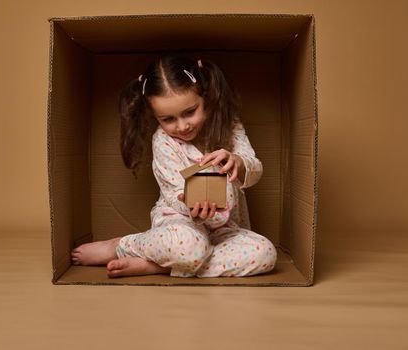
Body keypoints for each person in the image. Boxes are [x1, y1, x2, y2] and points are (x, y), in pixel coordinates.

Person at [71, 53, 277, 278]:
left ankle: (160, 266)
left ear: (205, 97)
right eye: (168, 119)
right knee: (189, 247)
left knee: (265, 253)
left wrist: (239, 162)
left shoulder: (228, 124)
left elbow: (255, 168)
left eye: (190, 112)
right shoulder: (163, 140)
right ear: (156, 116)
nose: (182, 126)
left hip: (225, 230)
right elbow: (174, 194)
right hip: (182, 225)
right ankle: (121, 246)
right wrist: (192, 205)